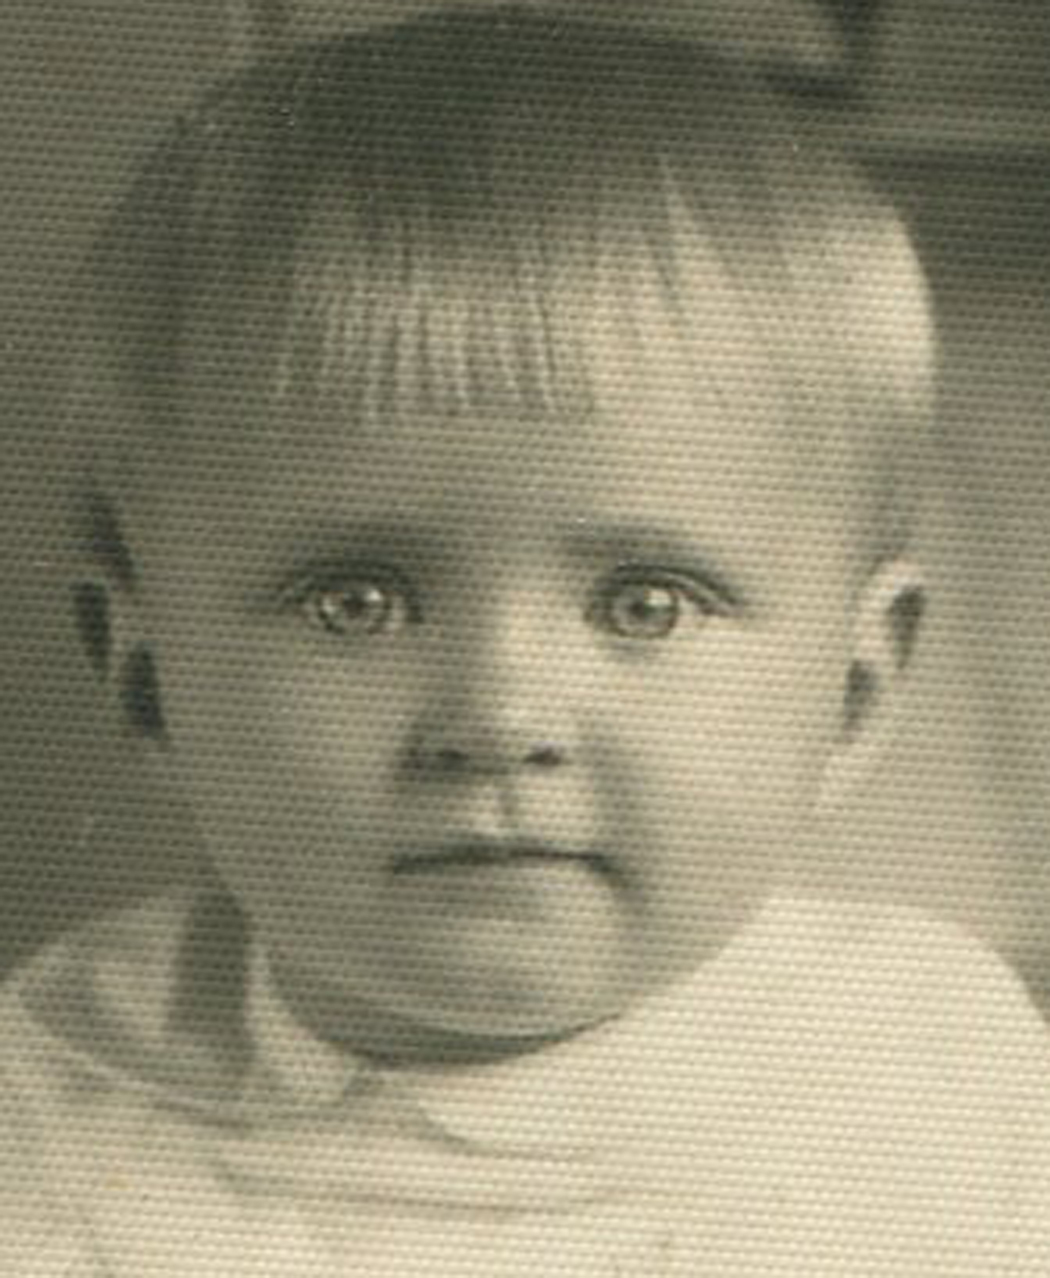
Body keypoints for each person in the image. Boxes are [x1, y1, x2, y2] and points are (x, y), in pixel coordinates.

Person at [3, 10, 1050, 1274]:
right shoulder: (54, 1111)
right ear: (147, 682)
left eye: (645, 604)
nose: (497, 719)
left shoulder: (938, 1084)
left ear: (853, 693)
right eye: (355, 602)